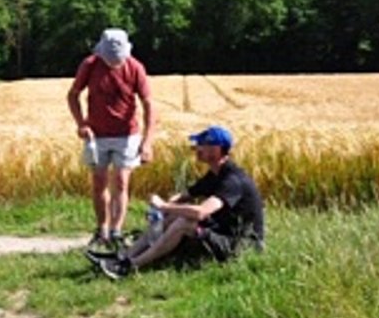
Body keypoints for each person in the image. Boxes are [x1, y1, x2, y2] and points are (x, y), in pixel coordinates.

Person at [91, 125, 266, 280]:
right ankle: (123, 256)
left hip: (240, 245)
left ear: (216, 149)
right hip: (222, 232)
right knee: (175, 215)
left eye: (202, 145)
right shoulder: (216, 174)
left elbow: (201, 212)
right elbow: (186, 195)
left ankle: (131, 266)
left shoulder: (232, 180)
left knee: (184, 223)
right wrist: (165, 209)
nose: (196, 148)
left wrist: (164, 206)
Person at [67, 27, 156, 255]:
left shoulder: (135, 67)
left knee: (122, 182)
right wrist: (81, 123)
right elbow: (73, 94)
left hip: (127, 135)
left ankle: (116, 231)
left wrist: (147, 142)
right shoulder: (89, 65)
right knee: (99, 182)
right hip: (97, 135)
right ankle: (102, 230)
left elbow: (148, 105)